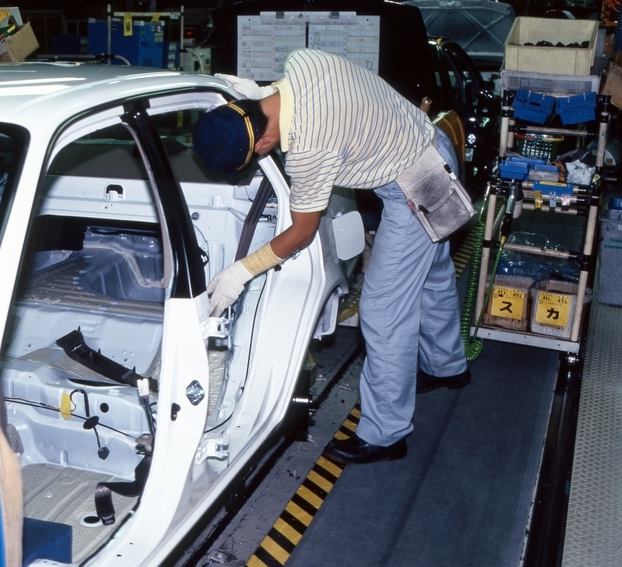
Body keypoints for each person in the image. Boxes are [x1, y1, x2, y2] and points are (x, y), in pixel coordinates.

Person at [193, 49, 473, 465]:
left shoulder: (309, 149)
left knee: (383, 310)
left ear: (263, 143)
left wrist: (241, 271)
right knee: (431, 272)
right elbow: (288, 93)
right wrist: (262, 92)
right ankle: (448, 367)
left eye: (258, 155)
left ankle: (386, 435)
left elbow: (301, 231)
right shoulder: (303, 62)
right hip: (430, 142)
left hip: (417, 187)